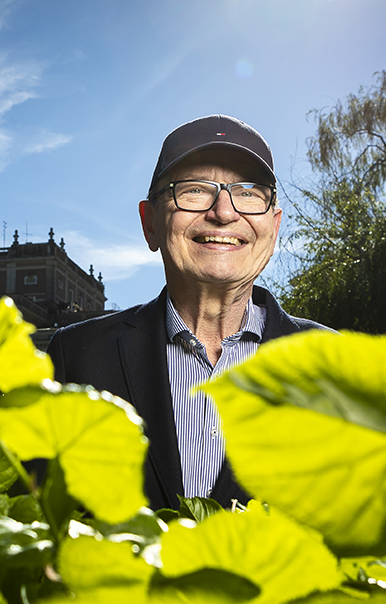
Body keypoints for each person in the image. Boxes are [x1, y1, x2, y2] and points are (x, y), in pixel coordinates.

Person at [47, 114, 330, 511]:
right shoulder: (75, 357)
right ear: (150, 224)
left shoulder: (335, 367)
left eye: (248, 192)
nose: (224, 212)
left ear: (274, 226)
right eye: (194, 191)